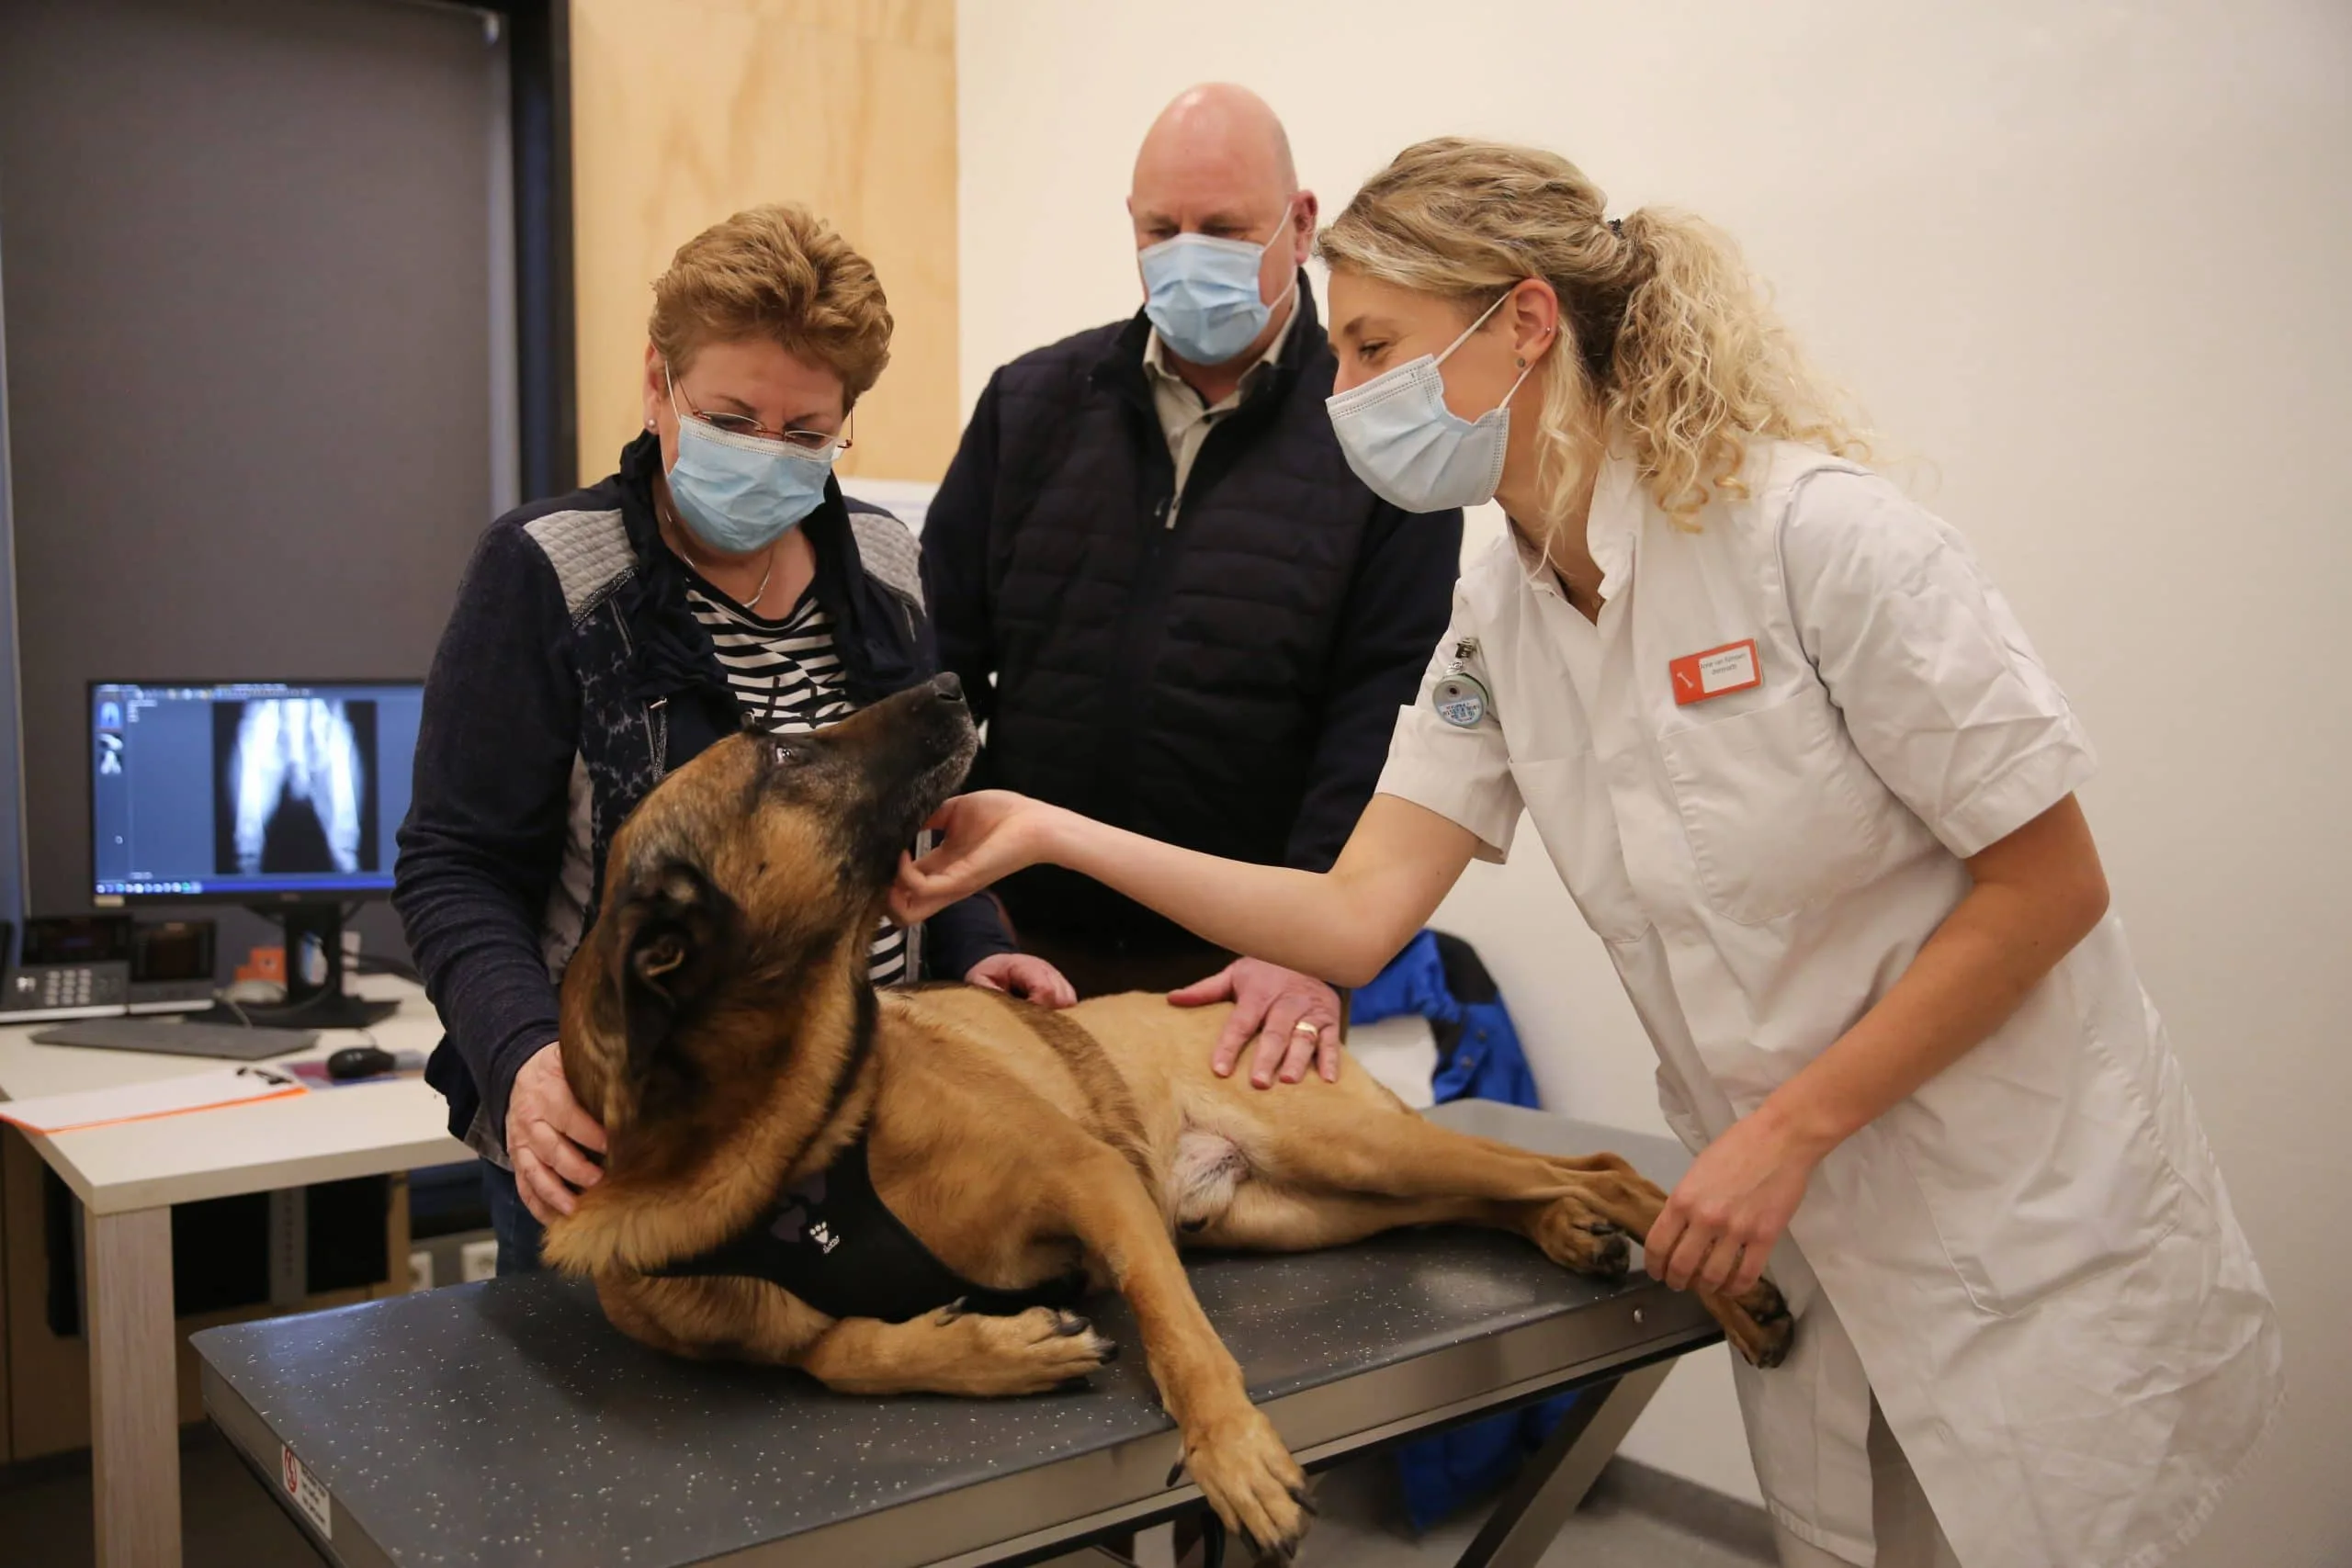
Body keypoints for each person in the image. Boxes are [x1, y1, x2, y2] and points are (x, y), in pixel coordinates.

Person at [894, 140, 2281, 1568]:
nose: (1346, 390)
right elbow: (1357, 912)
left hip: (2010, 1216)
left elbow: (2051, 884)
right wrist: (1055, 827)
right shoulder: (1503, 602)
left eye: (1375, 346)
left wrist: (1786, 1131)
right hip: (1792, 1224)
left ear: (1527, 322)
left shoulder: (1821, 542)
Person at [396, 205, 1071, 1270]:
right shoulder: (548, 573)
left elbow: (904, 820)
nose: (768, 457)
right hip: (629, 1139)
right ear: (659, 386)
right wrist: (522, 1055)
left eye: (806, 434)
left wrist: (980, 949)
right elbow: (454, 865)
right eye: (732, 418)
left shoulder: (887, 562)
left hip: (857, 1112)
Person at [920, 85, 1461, 1089]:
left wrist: (1306, 945)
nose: (1187, 254)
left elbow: (1383, 715)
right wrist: (961, 924)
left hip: (1243, 975)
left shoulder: (1373, 428)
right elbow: (932, 682)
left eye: (1223, 228)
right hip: (1020, 949)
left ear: (1300, 225)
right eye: (1161, 229)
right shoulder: (1029, 406)